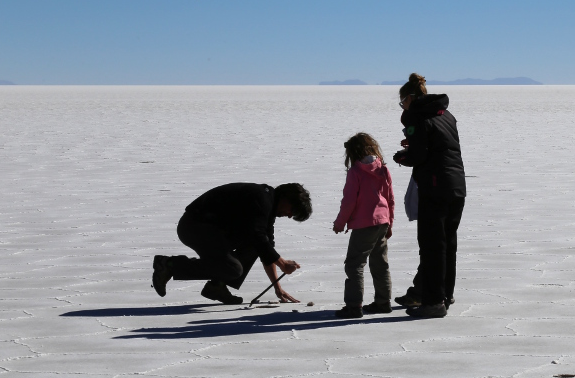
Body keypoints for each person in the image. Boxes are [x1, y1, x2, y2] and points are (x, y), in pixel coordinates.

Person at [151, 183, 311, 305]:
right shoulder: (262, 200)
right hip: (195, 227)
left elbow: (266, 248)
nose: (290, 215)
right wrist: (282, 263)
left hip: (212, 230)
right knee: (233, 269)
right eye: (293, 210)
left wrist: (277, 287)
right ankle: (169, 264)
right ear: (285, 198)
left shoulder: (268, 205)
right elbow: (260, 239)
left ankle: (217, 286)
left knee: (257, 244)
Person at [392, 73, 466, 318]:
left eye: (402, 102)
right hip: (456, 186)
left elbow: (420, 156)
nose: (402, 107)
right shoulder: (446, 115)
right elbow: (439, 147)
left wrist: (403, 157)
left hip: (434, 188)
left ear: (410, 98)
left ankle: (433, 302)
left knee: (432, 245)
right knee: (448, 243)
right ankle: (445, 294)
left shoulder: (417, 116)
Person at [332, 133, 395, 319]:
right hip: (382, 221)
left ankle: (353, 306)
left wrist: (340, 223)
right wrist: (389, 222)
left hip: (364, 225)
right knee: (380, 264)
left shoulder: (356, 172)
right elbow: (390, 198)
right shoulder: (382, 168)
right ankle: (383, 302)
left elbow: (349, 201)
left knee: (355, 264)